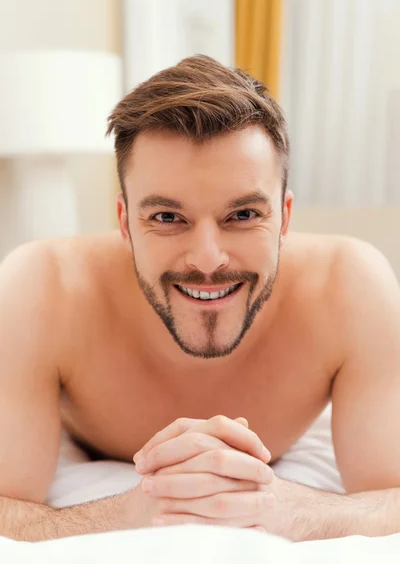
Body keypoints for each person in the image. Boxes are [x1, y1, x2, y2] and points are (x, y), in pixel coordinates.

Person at [1, 55, 400, 543]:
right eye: (168, 218)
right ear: (125, 224)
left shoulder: (350, 286)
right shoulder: (43, 288)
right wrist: (121, 514)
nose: (208, 260)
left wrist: (295, 509)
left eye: (244, 214)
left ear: (285, 217)